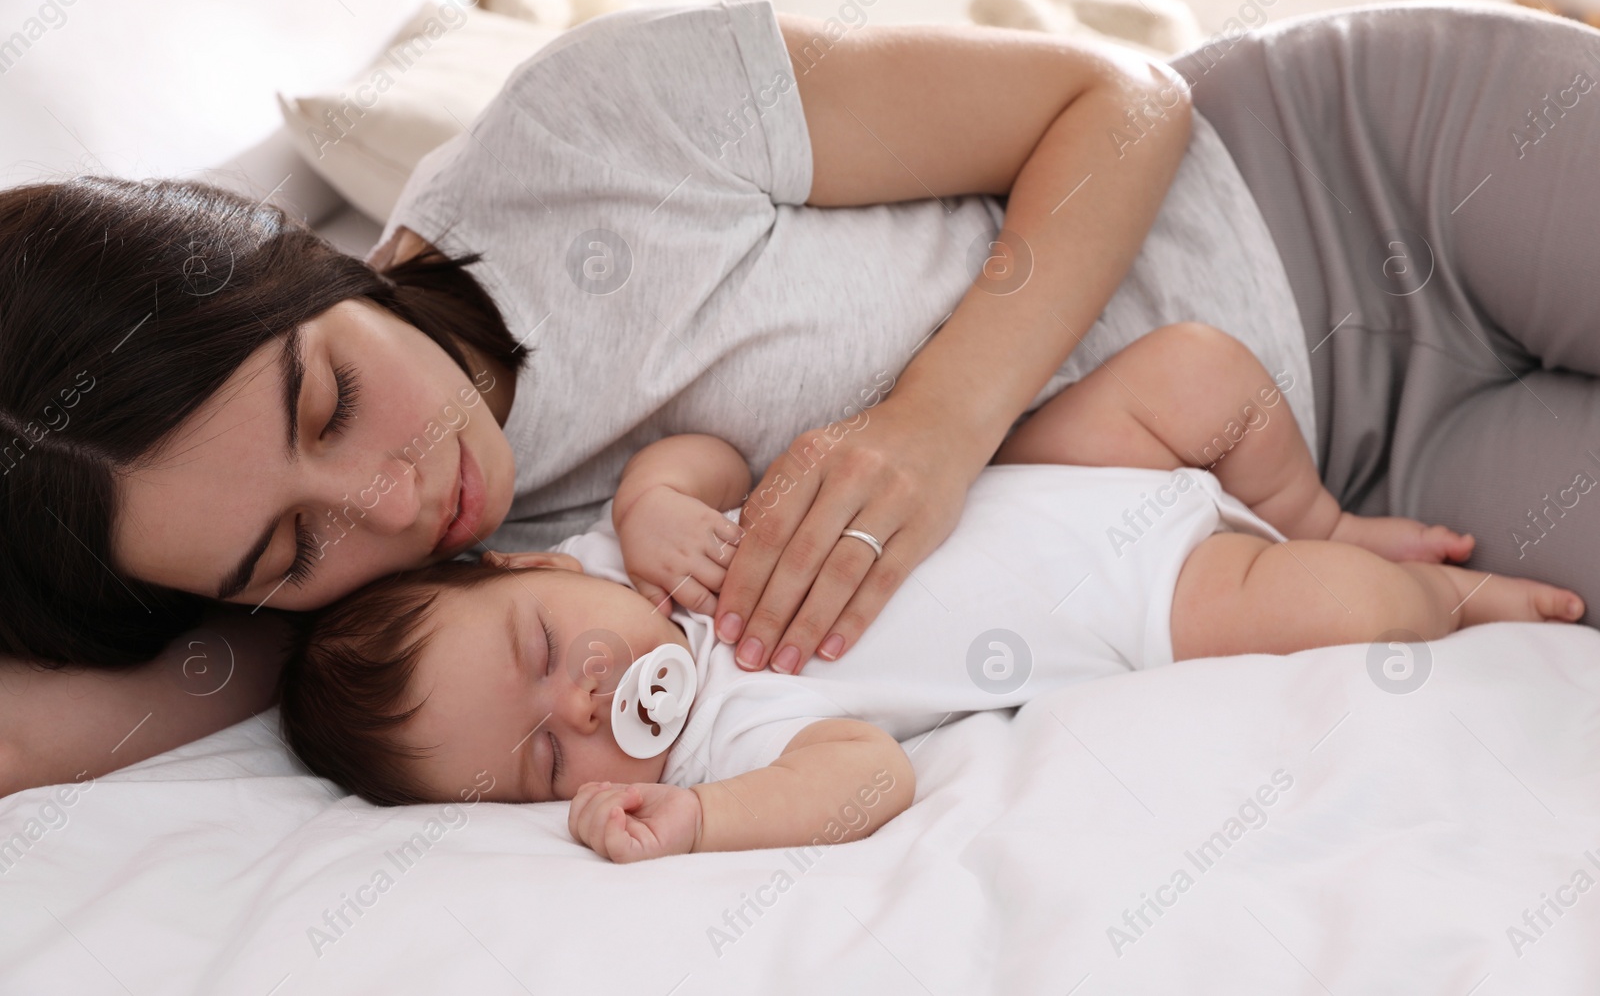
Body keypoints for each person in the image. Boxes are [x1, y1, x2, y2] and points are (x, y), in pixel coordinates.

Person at [5, 0, 1600, 795]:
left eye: (329, 400)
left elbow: (1121, 95)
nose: (396, 499)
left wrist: (933, 426)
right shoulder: (443, 626)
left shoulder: (585, 134)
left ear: (307, 262)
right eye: (284, 552)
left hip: (1360, 177)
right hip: (1356, 470)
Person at [276, 323, 1581, 862]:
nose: (586, 701)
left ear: (529, 565)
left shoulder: (631, 556)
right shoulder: (729, 731)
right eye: (536, 764)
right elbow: (867, 781)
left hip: (1046, 468)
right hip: (1147, 595)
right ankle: (1444, 602)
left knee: (1194, 369)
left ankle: (1320, 507)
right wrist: (703, 820)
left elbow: (706, 453)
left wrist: (657, 501)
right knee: (1351, 613)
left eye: (542, 649)